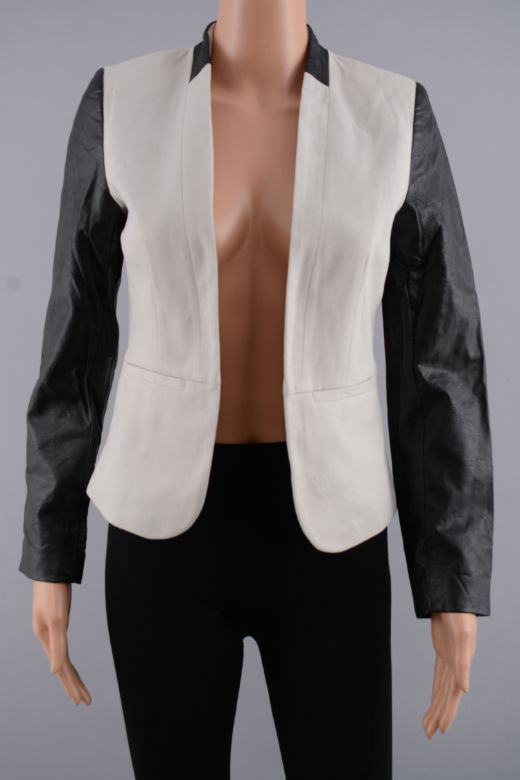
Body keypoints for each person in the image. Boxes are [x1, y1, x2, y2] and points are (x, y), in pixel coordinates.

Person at [19, 7, 494, 780]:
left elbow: (439, 362)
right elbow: (75, 342)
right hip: (161, 535)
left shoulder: (392, 114)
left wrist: (452, 574)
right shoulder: (123, 103)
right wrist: (52, 547)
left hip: (331, 536)